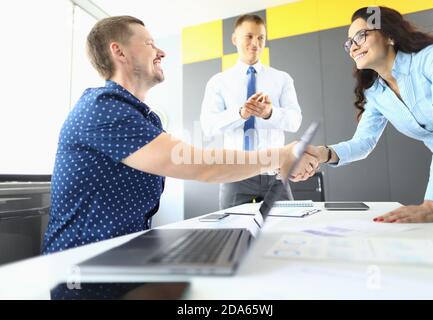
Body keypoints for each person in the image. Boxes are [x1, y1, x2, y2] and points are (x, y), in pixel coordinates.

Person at [42, 16, 318, 254]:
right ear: (120, 52)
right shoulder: (103, 109)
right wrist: (279, 155)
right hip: (85, 265)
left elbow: (191, 158)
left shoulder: (139, 116)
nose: (161, 52)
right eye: (150, 43)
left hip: (124, 255)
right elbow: (199, 163)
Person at [306, 6, 433, 223]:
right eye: (349, 43)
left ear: (389, 34)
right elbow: (364, 142)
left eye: (360, 36)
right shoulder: (375, 92)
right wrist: (322, 153)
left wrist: (432, 204)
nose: (353, 47)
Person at [200, 14, 302, 210]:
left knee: (287, 230)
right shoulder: (218, 82)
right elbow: (208, 126)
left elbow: (295, 121)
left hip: (274, 172)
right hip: (235, 173)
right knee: (232, 232)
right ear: (234, 39)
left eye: (261, 38)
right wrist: (240, 113)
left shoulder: (282, 79)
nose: (255, 43)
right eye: (249, 36)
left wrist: (270, 113)